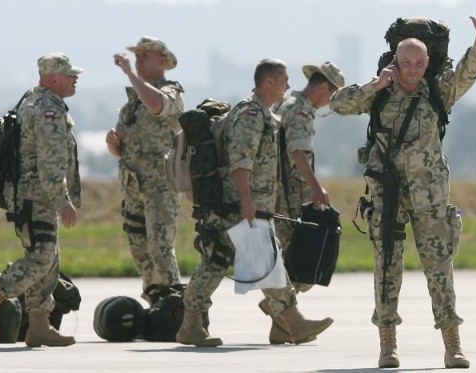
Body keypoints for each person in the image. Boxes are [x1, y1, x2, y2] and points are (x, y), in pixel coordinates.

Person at [329, 1, 476, 369]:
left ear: (427, 64)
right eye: (406, 63)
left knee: (440, 269)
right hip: (388, 195)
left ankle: (452, 344)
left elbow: (471, 70)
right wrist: (376, 84)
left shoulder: (438, 93)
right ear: (395, 61)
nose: (413, 70)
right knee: (386, 269)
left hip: (430, 196)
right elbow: (338, 103)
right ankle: (387, 345)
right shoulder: (380, 93)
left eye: (419, 64)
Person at [176, 58, 333, 347]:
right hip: (241, 205)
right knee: (267, 261)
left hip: (244, 203)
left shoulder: (262, 113)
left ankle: (191, 324)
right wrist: (247, 202)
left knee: (215, 261)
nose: (289, 86)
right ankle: (292, 322)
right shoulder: (250, 114)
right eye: (284, 80)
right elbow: (241, 162)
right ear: (268, 82)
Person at [0, 52, 83, 347]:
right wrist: (63, 200)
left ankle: (39, 325)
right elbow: (50, 162)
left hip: (31, 194)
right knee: (41, 256)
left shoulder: (32, 99)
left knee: (49, 258)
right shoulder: (48, 110)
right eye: (70, 75)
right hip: (36, 195)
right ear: (53, 77)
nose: (75, 79)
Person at [261, 61, 344, 344]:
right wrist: (316, 187)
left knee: (291, 260)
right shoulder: (302, 110)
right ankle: (279, 306)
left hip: (278, 193)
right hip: (290, 196)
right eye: (331, 95)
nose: (328, 101)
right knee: (300, 262)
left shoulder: (287, 104)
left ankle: (280, 323)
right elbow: (298, 152)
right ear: (323, 88)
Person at [105, 36, 186, 304]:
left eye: (144, 56)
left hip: (160, 186)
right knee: (139, 249)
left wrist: (129, 72)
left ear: (162, 62)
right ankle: (156, 301)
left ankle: (175, 305)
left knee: (160, 247)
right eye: (136, 56)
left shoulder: (171, 91)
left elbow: (158, 105)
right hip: (133, 187)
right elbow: (125, 149)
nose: (138, 61)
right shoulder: (133, 101)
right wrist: (114, 146)